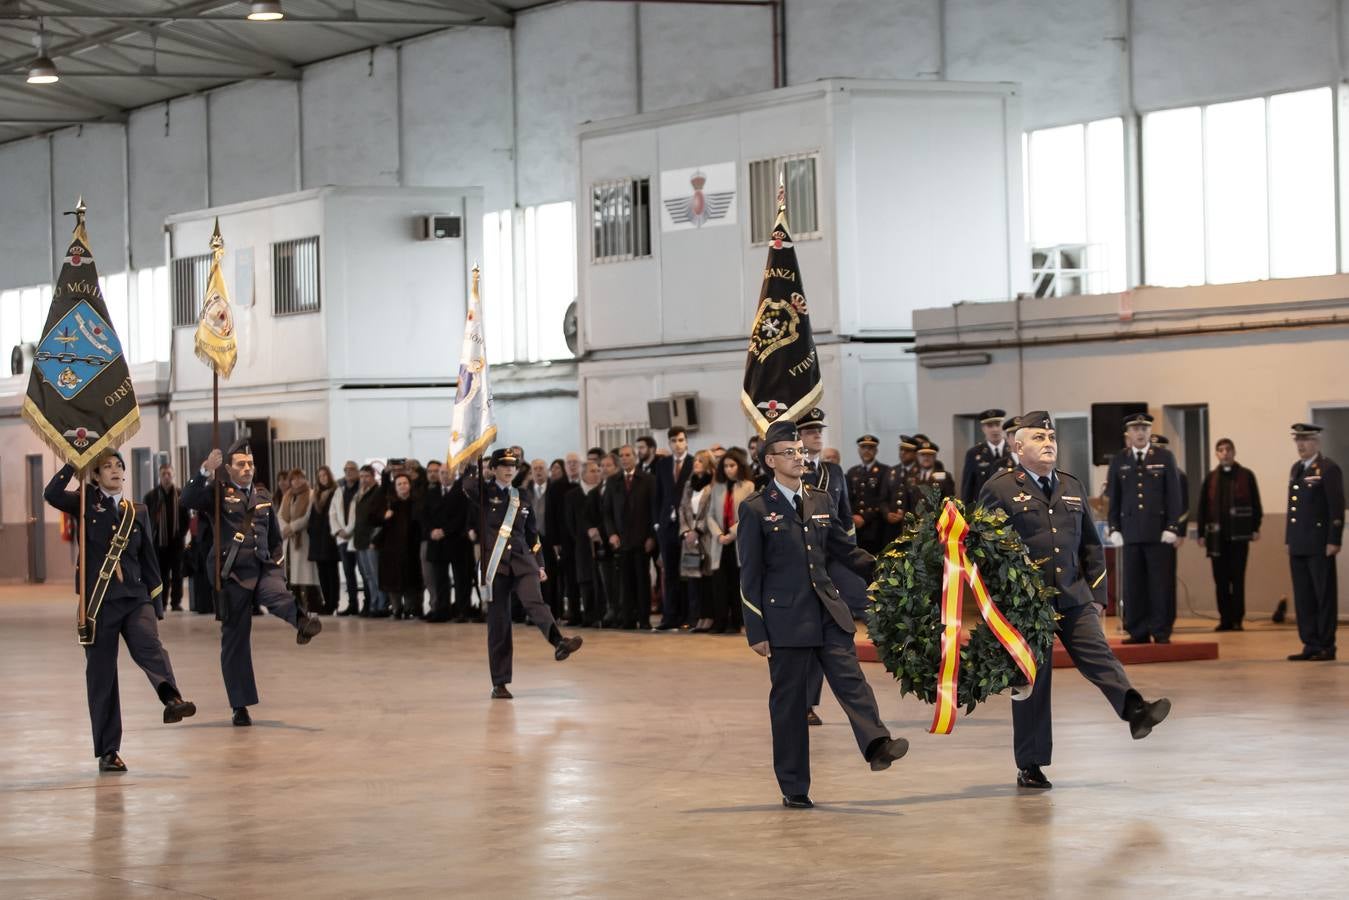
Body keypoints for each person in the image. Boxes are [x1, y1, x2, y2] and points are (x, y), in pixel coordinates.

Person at [978, 411, 1172, 791]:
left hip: (1072, 593)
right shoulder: (999, 488)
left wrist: (1097, 596)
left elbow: (1090, 545)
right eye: (1038, 437)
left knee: (1099, 654)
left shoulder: (1070, 485)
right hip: (1027, 603)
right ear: (1019, 447)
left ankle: (1135, 709)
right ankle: (1030, 764)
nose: (1048, 443)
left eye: (1051, 437)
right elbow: (984, 550)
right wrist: (1002, 604)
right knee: (1034, 682)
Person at [739, 419, 909, 809]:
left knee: (852, 682)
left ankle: (877, 744)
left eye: (801, 451)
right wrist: (756, 629)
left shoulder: (819, 500)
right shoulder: (756, 509)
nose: (800, 458)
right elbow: (749, 574)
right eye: (790, 453)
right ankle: (794, 786)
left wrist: (887, 565)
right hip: (785, 621)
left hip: (829, 611)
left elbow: (842, 549)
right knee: (790, 706)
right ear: (770, 460)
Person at [44, 449, 197, 773]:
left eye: (119, 466)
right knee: (102, 678)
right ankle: (108, 751)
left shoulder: (137, 511)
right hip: (99, 603)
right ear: (96, 476)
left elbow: (150, 563)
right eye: (106, 467)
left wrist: (156, 604)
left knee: (149, 645)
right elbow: (52, 494)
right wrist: (75, 463)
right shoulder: (86, 502)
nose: (114, 470)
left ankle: (171, 698)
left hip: (134, 597)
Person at [182, 440, 322, 726]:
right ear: (229, 469)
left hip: (262, 566)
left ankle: (301, 621)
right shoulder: (218, 493)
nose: (247, 468)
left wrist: (278, 567)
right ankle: (240, 704)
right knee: (235, 641)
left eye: (250, 464)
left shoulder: (263, 495)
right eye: (240, 464)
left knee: (277, 593)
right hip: (232, 573)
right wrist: (205, 470)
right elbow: (188, 498)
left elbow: (273, 537)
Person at [468, 448, 584, 699]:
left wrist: (540, 563)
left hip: (523, 561)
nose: (510, 470)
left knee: (535, 601)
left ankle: (559, 642)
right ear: (493, 468)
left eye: (514, 466)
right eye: (504, 465)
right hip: (496, 564)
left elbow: (533, 534)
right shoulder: (484, 493)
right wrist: (471, 456)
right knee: (499, 623)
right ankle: (499, 682)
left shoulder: (522, 495)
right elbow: (467, 484)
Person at [1105, 413, 1184, 644]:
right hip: (1130, 532)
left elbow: (1174, 495)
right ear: (1128, 434)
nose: (1140, 433)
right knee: (1133, 584)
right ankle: (1137, 630)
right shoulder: (1120, 459)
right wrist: (1114, 527)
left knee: (1160, 584)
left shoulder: (1164, 456)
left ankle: (1161, 630)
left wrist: (1172, 526)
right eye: (1135, 429)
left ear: (1150, 432)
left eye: (1144, 428)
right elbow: (1114, 497)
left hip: (1159, 532)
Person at [1285, 423, 1344, 661]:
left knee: (1323, 596)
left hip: (1320, 544)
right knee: (1303, 597)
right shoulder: (1296, 469)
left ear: (1317, 442)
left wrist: (1334, 539)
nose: (1301, 444)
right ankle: (1310, 643)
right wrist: (1289, 538)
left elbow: (1336, 508)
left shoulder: (1328, 469)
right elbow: (1293, 509)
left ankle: (1326, 646)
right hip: (1299, 543)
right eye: (1297, 440)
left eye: (1305, 440)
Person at [1195, 438, 1263, 632]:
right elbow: (1202, 508)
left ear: (1234, 452)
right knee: (1221, 580)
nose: (1225, 453)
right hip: (1216, 538)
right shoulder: (1211, 478)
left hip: (1239, 537)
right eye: (1221, 450)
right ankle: (1225, 619)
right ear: (1216, 454)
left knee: (1238, 578)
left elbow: (1256, 505)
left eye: (1228, 450)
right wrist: (1201, 533)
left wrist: (1255, 527)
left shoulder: (1246, 475)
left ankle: (1237, 619)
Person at [603, 445, 657, 629]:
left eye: (628, 455)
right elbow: (607, 512)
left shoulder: (648, 479)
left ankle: (644, 619)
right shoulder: (612, 481)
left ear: (635, 457)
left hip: (643, 540)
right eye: (621, 456)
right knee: (625, 582)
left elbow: (653, 510)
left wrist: (652, 536)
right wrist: (611, 534)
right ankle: (627, 618)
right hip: (622, 540)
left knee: (643, 581)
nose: (624, 458)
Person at [707, 447, 755, 633]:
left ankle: (740, 622)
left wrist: (731, 533)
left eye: (732, 465)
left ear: (739, 466)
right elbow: (710, 515)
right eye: (725, 466)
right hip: (719, 542)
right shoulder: (717, 487)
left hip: (737, 541)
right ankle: (720, 621)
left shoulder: (748, 486)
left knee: (738, 583)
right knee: (719, 584)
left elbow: (748, 516)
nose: (728, 469)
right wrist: (718, 534)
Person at [653, 427, 695, 630]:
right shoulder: (662, 465)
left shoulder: (694, 463)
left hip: (687, 525)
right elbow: (657, 494)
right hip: (666, 525)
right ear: (669, 443)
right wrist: (657, 522)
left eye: (680, 440)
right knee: (669, 573)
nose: (677, 444)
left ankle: (687, 616)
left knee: (686, 571)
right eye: (673, 441)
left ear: (686, 442)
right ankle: (669, 616)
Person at [376, 472, 424, 620]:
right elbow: (377, 523)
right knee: (393, 580)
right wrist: (385, 518)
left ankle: (411, 608)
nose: (403, 486)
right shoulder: (389, 504)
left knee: (412, 580)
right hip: (392, 549)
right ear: (395, 488)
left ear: (410, 485)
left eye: (405, 483)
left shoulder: (417, 503)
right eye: (399, 484)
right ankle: (396, 608)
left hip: (412, 547)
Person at [679, 449, 717, 632]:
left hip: (705, 536)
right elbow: (682, 509)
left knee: (707, 579)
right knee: (694, 580)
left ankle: (709, 616)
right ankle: (699, 616)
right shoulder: (688, 485)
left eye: (700, 461)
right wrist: (686, 531)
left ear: (709, 464)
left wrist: (698, 530)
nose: (696, 463)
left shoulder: (713, 485)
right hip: (689, 538)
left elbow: (711, 510)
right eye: (695, 460)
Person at [143, 463, 188, 612]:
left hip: (176, 543)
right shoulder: (151, 496)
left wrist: (181, 534)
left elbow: (186, 519)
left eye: (169, 474)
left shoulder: (181, 495)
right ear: (159, 476)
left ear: (173, 475)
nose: (166, 477)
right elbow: (146, 520)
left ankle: (176, 603)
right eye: (164, 474)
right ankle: (161, 603)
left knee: (177, 575)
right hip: (158, 544)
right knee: (160, 576)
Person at [566, 460, 604, 627]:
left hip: (601, 542)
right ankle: (588, 615)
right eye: (592, 471)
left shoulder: (602, 492)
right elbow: (570, 523)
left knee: (601, 580)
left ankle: (602, 614)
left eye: (598, 470)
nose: (596, 473)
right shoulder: (572, 495)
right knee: (586, 580)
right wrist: (581, 537)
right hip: (581, 544)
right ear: (583, 474)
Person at [278, 468, 320, 614]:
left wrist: (292, 527)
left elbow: (308, 517)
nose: (297, 481)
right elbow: (280, 516)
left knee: (307, 574)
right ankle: (296, 606)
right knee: (291, 574)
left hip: (304, 539)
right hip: (290, 540)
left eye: (300, 478)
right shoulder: (287, 496)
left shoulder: (311, 494)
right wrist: (285, 529)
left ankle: (313, 605)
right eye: (294, 479)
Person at [329, 461, 366, 616]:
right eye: (346, 469)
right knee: (348, 573)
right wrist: (339, 531)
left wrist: (349, 530)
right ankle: (352, 604)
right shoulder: (340, 489)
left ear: (357, 471)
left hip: (357, 537)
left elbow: (359, 515)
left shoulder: (362, 489)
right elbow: (332, 513)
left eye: (351, 469)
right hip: (343, 538)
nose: (348, 472)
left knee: (364, 572)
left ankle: (368, 603)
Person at [546, 458, 579, 623]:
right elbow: (550, 516)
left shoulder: (584, 484)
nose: (572, 465)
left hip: (582, 538)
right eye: (569, 463)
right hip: (564, 540)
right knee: (569, 577)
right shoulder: (555, 488)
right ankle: (573, 613)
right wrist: (555, 542)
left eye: (575, 462)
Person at [446, 464, 480, 622]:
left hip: (474, 538)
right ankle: (463, 607)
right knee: (462, 578)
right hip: (460, 540)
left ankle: (479, 607)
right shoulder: (456, 488)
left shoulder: (477, 487)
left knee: (477, 576)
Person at [352, 464, 388, 617]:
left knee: (376, 575)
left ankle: (382, 605)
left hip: (371, 539)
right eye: (361, 476)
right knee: (367, 576)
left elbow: (378, 518)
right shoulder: (361, 493)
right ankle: (373, 604)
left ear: (373, 476)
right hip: (360, 539)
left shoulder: (378, 492)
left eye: (367, 476)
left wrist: (375, 538)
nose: (363, 479)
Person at [591, 452, 621, 627]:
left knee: (620, 580)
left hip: (617, 538)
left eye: (608, 465)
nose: (604, 469)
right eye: (602, 466)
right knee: (606, 579)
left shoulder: (619, 486)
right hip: (601, 542)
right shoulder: (597, 490)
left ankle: (621, 610)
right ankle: (610, 609)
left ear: (616, 467)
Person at [960, 408, 1013, 506]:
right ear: (983, 428)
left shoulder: (1013, 450)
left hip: (1010, 507)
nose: (995, 429)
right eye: (990, 426)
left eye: (997, 424)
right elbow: (968, 488)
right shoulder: (974, 453)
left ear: (1003, 426)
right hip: (985, 509)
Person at [847, 435, 890, 554]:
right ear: (859, 450)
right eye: (863, 447)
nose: (866, 450)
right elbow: (847, 498)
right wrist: (853, 516)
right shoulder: (852, 472)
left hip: (876, 527)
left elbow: (883, 498)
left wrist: (864, 518)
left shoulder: (885, 471)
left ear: (876, 451)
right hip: (856, 527)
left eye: (870, 448)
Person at [309, 465, 342, 615]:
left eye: (325, 475)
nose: (323, 478)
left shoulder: (335, 492)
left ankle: (333, 603)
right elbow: (313, 517)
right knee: (322, 573)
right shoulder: (316, 494)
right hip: (317, 539)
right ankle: (326, 602)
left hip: (329, 538)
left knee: (331, 573)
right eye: (320, 476)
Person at [907, 437, 955, 514]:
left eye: (930, 455)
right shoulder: (910, 476)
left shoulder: (945, 477)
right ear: (917, 457)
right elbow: (907, 504)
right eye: (923, 455)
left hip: (936, 522)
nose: (926, 458)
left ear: (935, 457)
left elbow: (949, 503)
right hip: (915, 522)